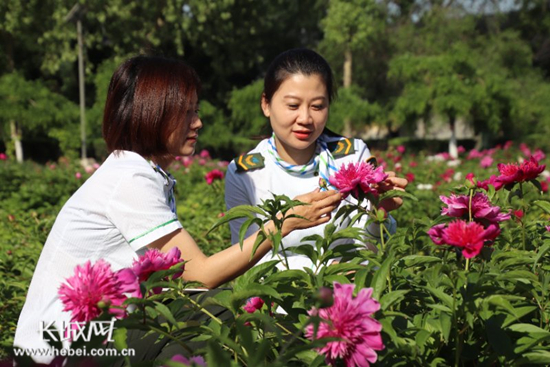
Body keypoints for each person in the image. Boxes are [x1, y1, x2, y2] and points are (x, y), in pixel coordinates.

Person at [13, 55, 341, 364]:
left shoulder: (142, 172)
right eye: (186, 113)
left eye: (195, 110)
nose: (197, 123)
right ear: (152, 113)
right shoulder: (130, 177)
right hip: (59, 342)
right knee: (219, 315)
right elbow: (201, 274)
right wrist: (283, 223)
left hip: (84, 331)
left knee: (204, 313)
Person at [225, 48, 408, 271]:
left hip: (351, 291)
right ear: (266, 104)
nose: (305, 118)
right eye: (293, 105)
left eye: (317, 106)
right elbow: (246, 258)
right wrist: (328, 270)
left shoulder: (352, 156)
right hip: (280, 301)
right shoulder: (246, 173)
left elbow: (372, 248)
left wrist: (379, 212)